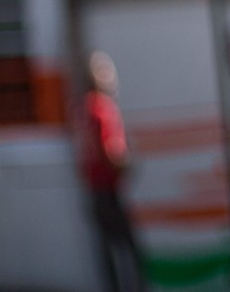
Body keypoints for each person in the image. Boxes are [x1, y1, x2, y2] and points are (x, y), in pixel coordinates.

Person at [79, 51, 144, 292]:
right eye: (106, 71)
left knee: (107, 250)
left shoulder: (82, 107)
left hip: (94, 189)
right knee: (128, 248)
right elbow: (110, 151)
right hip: (107, 189)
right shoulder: (102, 108)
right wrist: (126, 165)